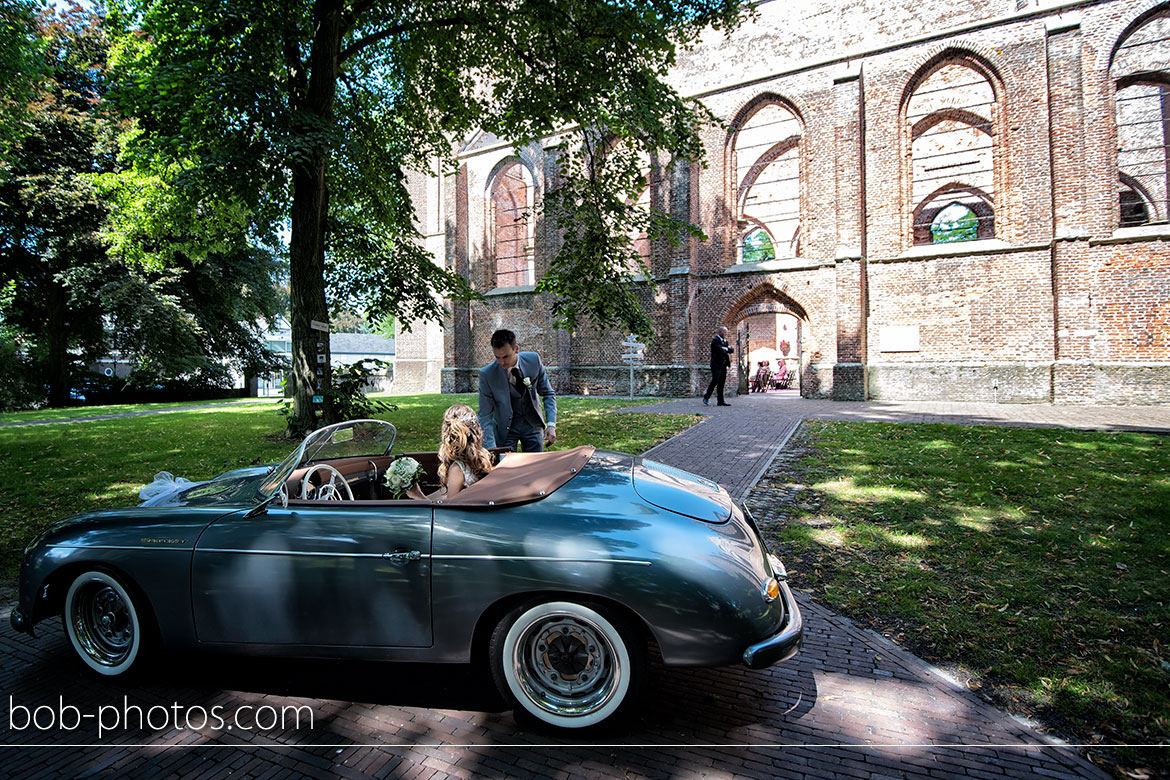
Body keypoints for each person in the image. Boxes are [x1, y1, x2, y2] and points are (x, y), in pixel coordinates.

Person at [478, 328, 557, 451]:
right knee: (506, 467)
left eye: (505, 356)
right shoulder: (487, 375)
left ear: (516, 349)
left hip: (532, 425)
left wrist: (551, 424)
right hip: (505, 429)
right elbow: (484, 415)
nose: (501, 362)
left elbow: (548, 393)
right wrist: (491, 448)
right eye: (497, 357)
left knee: (535, 466)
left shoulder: (534, 361)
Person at [410, 403, 495, 500]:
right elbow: (444, 494)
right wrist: (420, 497)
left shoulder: (458, 468)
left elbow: (449, 509)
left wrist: (417, 496)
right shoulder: (483, 456)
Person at [703, 326, 734, 406]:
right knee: (715, 381)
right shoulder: (715, 341)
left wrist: (726, 349)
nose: (725, 334)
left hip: (723, 365)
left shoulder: (725, 342)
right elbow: (720, 350)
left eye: (726, 332)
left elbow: (731, 350)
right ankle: (706, 397)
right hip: (716, 365)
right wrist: (726, 349)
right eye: (724, 332)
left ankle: (720, 401)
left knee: (721, 383)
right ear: (720, 332)